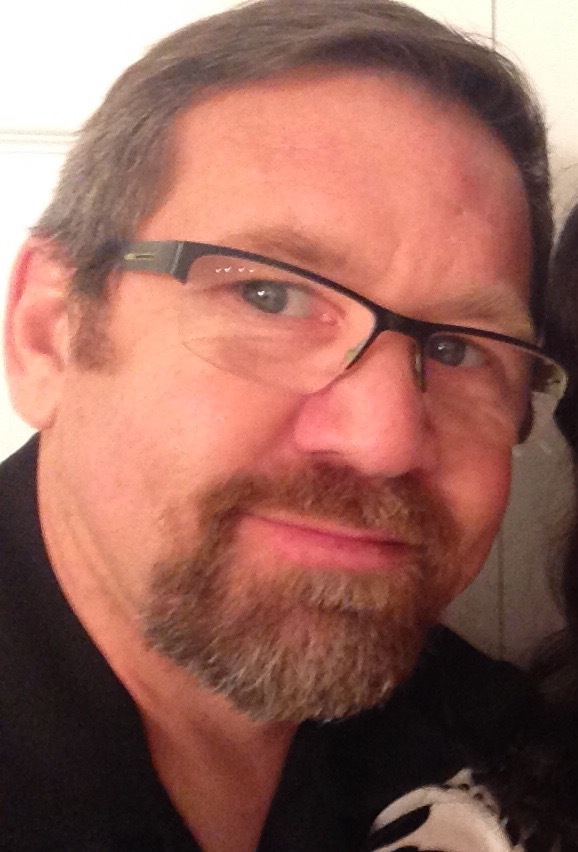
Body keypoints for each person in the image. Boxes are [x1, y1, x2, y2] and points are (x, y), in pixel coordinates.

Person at [0, 1, 568, 849]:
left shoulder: (504, 751)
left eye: (455, 349)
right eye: (271, 296)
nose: (383, 442)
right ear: (49, 331)